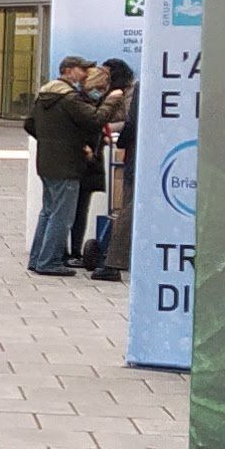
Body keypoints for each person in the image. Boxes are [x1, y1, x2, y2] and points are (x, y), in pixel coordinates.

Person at [24, 56, 100, 276]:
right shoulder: (69, 98)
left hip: (46, 162)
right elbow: (95, 119)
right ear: (68, 71)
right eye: (81, 69)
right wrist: (111, 100)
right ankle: (49, 262)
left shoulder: (44, 95)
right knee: (62, 215)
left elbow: (29, 124)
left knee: (48, 211)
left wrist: (49, 141)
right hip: (67, 164)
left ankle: (37, 259)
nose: (85, 74)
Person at [92, 57, 137, 284]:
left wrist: (118, 139)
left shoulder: (133, 92)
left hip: (137, 158)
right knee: (130, 209)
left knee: (129, 209)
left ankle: (114, 262)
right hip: (141, 158)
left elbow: (131, 124)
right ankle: (117, 260)